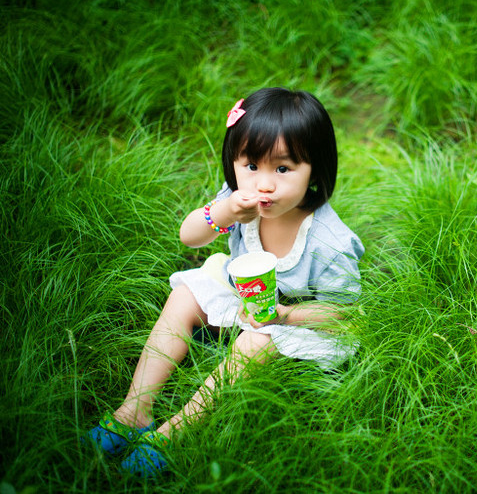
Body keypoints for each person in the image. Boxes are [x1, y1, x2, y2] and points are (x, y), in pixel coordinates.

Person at [81, 88, 364, 478]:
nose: (263, 184)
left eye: (282, 169)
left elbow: (345, 314)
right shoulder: (237, 203)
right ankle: (135, 409)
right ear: (233, 161)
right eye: (251, 165)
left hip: (301, 323)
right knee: (184, 296)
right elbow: (189, 237)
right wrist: (226, 210)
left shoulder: (328, 242)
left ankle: (175, 433)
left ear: (314, 170)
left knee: (253, 342)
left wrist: (285, 314)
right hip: (245, 300)